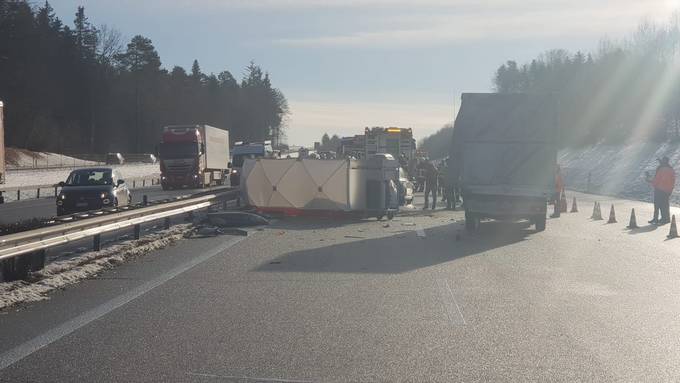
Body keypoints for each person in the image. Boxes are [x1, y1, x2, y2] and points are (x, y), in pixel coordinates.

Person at [649, 156, 675, 224]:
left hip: (659, 189)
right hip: (667, 191)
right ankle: (666, 219)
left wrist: (650, 181)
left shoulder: (661, 169)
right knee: (665, 205)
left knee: (657, 205)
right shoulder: (671, 170)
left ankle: (655, 219)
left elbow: (657, 180)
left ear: (663, 161)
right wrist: (670, 190)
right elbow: (673, 181)